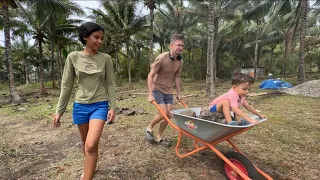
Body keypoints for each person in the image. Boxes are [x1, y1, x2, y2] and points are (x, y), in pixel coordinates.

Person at [52, 22, 116, 180]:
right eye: (96, 37)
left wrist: (113, 106)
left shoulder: (105, 58)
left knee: (91, 144)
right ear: (85, 37)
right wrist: (59, 111)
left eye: (102, 38)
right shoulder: (73, 57)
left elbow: (110, 83)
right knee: (85, 142)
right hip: (80, 106)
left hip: (99, 105)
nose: (100, 41)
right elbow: (66, 85)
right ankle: (90, 166)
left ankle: (86, 177)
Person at [146, 34, 184, 147]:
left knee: (169, 115)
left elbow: (177, 77)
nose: (181, 48)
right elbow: (150, 75)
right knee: (164, 114)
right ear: (171, 45)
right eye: (178, 45)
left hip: (168, 91)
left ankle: (158, 136)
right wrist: (150, 94)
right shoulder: (162, 58)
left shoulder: (180, 61)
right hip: (157, 89)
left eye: (182, 45)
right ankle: (149, 127)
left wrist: (178, 93)